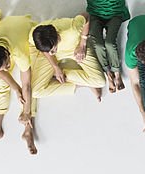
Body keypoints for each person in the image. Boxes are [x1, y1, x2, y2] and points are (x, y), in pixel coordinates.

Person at [28, 16, 107, 152]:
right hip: (53, 60)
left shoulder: (72, 29)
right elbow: (46, 51)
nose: (52, 51)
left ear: (57, 37)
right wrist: (55, 66)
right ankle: (82, 84)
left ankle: (72, 78)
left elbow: (87, 16)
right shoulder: (35, 35)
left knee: (100, 81)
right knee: (36, 91)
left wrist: (82, 43)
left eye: (53, 48)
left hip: (74, 49)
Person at [65, 0, 135, 93]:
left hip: (115, 12)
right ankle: (108, 73)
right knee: (98, 45)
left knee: (110, 42)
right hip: (95, 14)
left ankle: (116, 72)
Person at [0, 15, 36, 154]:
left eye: (7, 65)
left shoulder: (19, 53)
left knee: (32, 85)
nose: (7, 68)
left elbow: (27, 84)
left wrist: (26, 111)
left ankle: (28, 130)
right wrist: (15, 88)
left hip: (27, 26)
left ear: (7, 54)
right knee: (1, 82)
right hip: (9, 27)